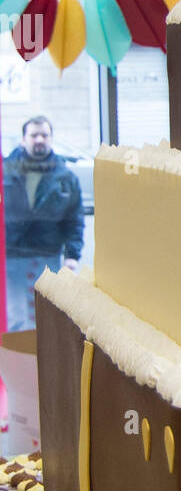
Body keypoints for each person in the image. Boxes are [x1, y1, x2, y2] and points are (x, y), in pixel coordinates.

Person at [3, 116, 84, 330]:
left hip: (48, 257)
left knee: (47, 320)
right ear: (23, 139)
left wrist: (72, 256)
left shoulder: (65, 177)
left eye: (44, 135)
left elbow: (74, 219)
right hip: (12, 258)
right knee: (17, 321)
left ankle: (45, 362)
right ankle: (18, 363)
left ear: (51, 138)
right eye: (34, 135)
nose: (39, 139)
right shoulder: (4, 173)